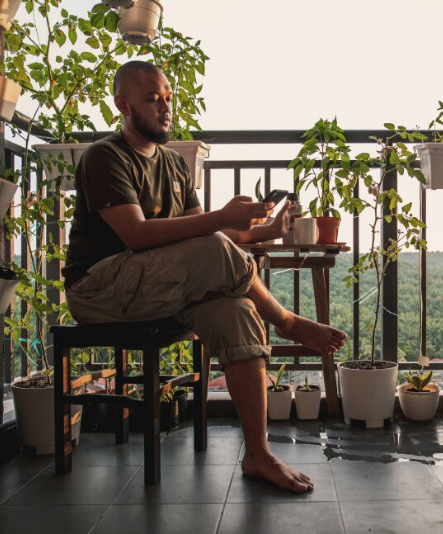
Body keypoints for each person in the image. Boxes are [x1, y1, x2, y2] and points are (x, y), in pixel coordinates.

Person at [62, 60, 347, 493]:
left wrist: (265, 230)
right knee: (216, 251)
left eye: (168, 99)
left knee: (235, 311)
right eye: (152, 99)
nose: (164, 108)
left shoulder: (175, 164)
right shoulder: (105, 156)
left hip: (159, 287)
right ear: (122, 103)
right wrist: (221, 220)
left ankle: (258, 453)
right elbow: (137, 235)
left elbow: (208, 231)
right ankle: (287, 321)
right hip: (101, 287)